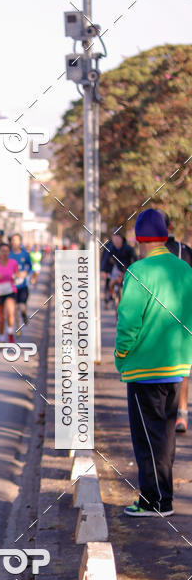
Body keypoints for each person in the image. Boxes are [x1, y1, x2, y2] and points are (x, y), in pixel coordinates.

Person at [114, 209, 192, 517]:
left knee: (147, 439)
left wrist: (121, 355)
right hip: (177, 366)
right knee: (165, 437)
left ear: (139, 239)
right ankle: (162, 496)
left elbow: (128, 323)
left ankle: (155, 501)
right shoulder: (184, 269)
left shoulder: (138, 272)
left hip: (144, 368)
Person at [160, 211, 192, 433]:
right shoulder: (186, 251)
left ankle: (170, 413)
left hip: (161, 320)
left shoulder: (151, 254)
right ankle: (182, 412)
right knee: (184, 366)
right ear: (170, 226)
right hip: (184, 317)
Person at [100, 231, 136, 307]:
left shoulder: (128, 248)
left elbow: (134, 258)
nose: (116, 241)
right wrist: (103, 270)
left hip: (126, 269)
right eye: (114, 239)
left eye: (117, 239)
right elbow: (105, 259)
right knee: (111, 282)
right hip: (116, 269)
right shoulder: (111, 248)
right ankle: (111, 294)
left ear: (121, 239)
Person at [9, 233, 32, 326]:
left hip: (23, 285)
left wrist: (25, 273)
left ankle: (24, 314)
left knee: (22, 306)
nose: (14, 242)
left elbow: (30, 266)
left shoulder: (25, 254)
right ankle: (18, 327)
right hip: (11, 286)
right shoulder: (8, 254)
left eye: (16, 240)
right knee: (14, 308)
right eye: (12, 240)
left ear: (20, 242)